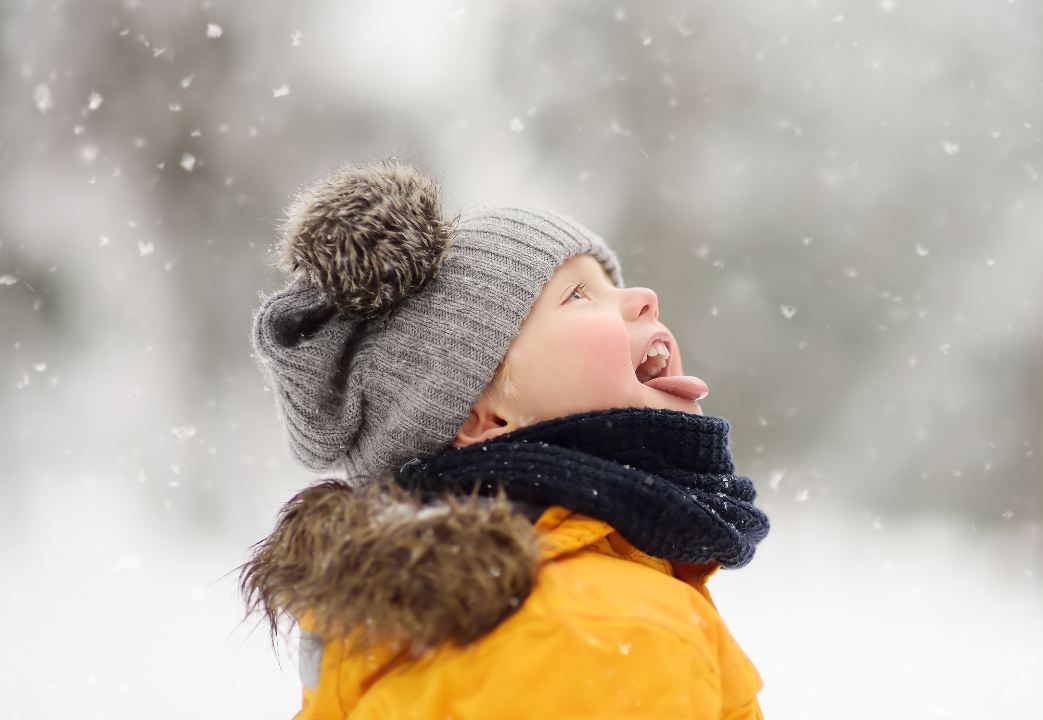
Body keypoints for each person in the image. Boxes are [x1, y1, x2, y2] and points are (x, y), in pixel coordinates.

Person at [240, 158, 770, 718]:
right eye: (578, 295)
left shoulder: (477, 625)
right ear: (484, 421)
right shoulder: (598, 627)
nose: (643, 298)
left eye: (609, 283)